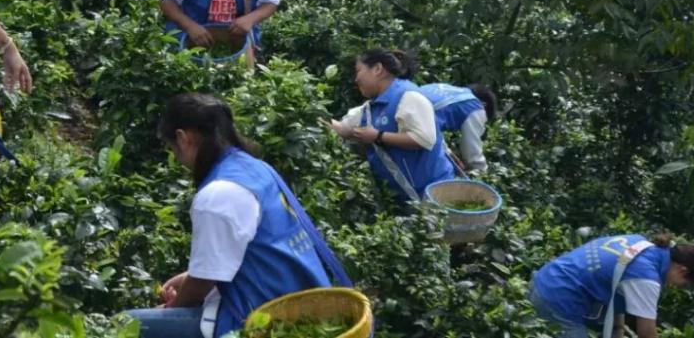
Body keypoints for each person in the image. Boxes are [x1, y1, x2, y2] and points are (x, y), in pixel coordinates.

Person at [125, 93, 351, 338]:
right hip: (307, 304)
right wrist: (188, 277)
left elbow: (203, 282)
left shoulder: (219, 194)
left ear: (183, 138)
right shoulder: (254, 168)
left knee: (125, 325)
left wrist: (173, 308)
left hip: (267, 319)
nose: (177, 159)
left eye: (172, 148)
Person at [330, 49, 455, 202]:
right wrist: (316, 115)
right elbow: (344, 128)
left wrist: (378, 136)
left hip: (435, 194)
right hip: (406, 198)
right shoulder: (371, 108)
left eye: (358, 71)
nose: (356, 79)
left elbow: (425, 139)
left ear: (377, 69)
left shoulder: (409, 97)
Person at [530, 233, 694, 338]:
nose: (678, 286)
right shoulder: (646, 278)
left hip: (543, 279)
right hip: (555, 301)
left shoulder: (640, 243)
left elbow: (618, 289)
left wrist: (618, 330)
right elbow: (647, 333)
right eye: (686, 284)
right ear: (683, 271)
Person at [418, 83, 497, 172]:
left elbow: (434, 125)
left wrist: (450, 155)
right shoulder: (475, 106)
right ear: (484, 105)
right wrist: (483, 174)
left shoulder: (451, 91)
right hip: (416, 122)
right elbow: (472, 152)